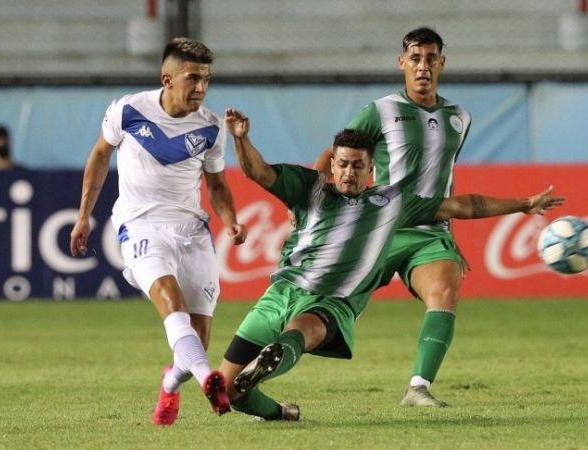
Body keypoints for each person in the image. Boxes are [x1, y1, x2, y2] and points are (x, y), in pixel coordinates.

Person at [219, 107, 563, 421]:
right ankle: (280, 412)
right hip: (281, 293)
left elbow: (460, 206)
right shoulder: (309, 187)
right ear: (332, 164)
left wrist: (522, 204)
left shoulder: (390, 202)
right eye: (342, 164)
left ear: (371, 169)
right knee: (226, 392)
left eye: (357, 165)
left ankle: (273, 357)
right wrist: (241, 137)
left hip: (331, 302)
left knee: (303, 332)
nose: (349, 172)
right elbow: (258, 172)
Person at [69, 38, 247, 426]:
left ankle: (171, 384)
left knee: (196, 339)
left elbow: (216, 185)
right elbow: (101, 154)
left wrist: (230, 218)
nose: (200, 88)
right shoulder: (129, 110)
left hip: (192, 229)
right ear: (167, 79)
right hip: (140, 224)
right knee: (169, 298)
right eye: (192, 78)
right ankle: (208, 379)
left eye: (206, 80)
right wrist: (84, 214)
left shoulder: (212, 127)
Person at [313, 26, 472, 407]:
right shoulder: (380, 111)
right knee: (323, 307)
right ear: (402, 63)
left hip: (429, 230)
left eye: (430, 58)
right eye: (415, 59)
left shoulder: (459, 118)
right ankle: (254, 371)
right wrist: (313, 201)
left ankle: (418, 387)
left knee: (445, 294)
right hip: (378, 228)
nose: (423, 67)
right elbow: (331, 158)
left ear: (441, 63)